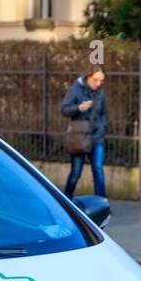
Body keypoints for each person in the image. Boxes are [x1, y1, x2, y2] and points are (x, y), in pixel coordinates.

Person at [60, 66, 107, 198]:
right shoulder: (75, 90)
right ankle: (66, 200)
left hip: (97, 136)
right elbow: (64, 109)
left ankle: (102, 204)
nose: (98, 84)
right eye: (96, 80)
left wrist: (103, 127)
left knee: (98, 170)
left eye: (101, 81)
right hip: (79, 138)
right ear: (88, 77)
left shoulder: (100, 92)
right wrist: (78, 108)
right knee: (76, 172)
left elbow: (104, 113)